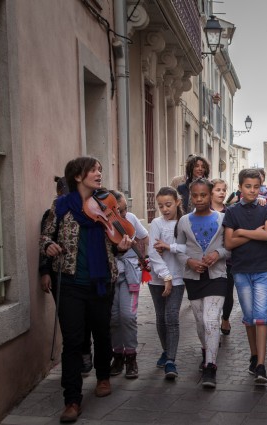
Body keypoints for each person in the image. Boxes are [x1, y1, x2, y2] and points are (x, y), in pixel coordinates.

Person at [40, 157, 132, 423]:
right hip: (70, 282)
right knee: (73, 342)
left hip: (102, 280)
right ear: (78, 176)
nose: (98, 173)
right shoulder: (60, 206)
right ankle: (71, 400)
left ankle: (103, 376)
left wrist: (122, 246)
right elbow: (46, 235)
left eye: (100, 170)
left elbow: (116, 240)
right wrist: (48, 246)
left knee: (101, 333)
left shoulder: (108, 203)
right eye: (93, 170)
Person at [223, 169, 267, 386]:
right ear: (240, 187)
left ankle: (262, 364)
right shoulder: (232, 211)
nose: (253, 190)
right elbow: (228, 244)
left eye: (256, 186)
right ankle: (254, 355)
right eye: (248, 186)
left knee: (261, 316)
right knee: (249, 317)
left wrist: (241, 232)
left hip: (263, 269)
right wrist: (253, 231)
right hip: (241, 270)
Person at [176, 178, 230, 388]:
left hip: (217, 276)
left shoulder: (223, 218)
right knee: (200, 323)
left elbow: (230, 247)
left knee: (211, 320)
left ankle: (210, 367)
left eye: (203, 195)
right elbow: (179, 248)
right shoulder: (184, 221)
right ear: (189, 196)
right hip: (193, 277)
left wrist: (218, 253)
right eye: (195, 195)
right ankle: (206, 349)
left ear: (210, 196)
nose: (199, 199)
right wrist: (188, 261)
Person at [40, 177, 96, 377]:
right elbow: (44, 243)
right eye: (60, 192)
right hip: (60, 275)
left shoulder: (88, 210)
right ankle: (76, 357)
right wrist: (45, 272)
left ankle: (85, 351)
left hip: (83, 276)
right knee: (70, 320)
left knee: (86, 318)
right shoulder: (51, 214)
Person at [108, 190, 149, 380]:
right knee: (113, 318)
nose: (124, 215)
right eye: (120, 211)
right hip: (111, 275)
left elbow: (144, 237)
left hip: (130, 274)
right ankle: (117, 355)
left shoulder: (131, 218)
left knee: (128, 315)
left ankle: (131, 357)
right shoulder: (104, 223)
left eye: (125, 210)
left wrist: (142, 257)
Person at [147, 187, 186, 380]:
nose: (164, 209)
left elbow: (189, 248)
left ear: (177, 202)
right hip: (157, 280)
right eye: (161, 205)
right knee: (161, 318)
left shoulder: (184, 222)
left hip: (178, 278)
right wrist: (165, 277)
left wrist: (169, 246)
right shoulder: (156, 223)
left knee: (172, 317)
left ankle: (171, 360)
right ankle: (165, 349)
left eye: (168, 204)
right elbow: (153, 253)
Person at [210, 178, 235, 337]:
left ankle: (225, 318)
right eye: (218, 190)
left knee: (227, 293)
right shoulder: (205, 211)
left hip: (228, 260)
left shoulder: (230, 212)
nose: (222, 193)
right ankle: (212, 324)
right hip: (210, 260)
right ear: (210, 192)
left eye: (223, 190)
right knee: (212, 294)